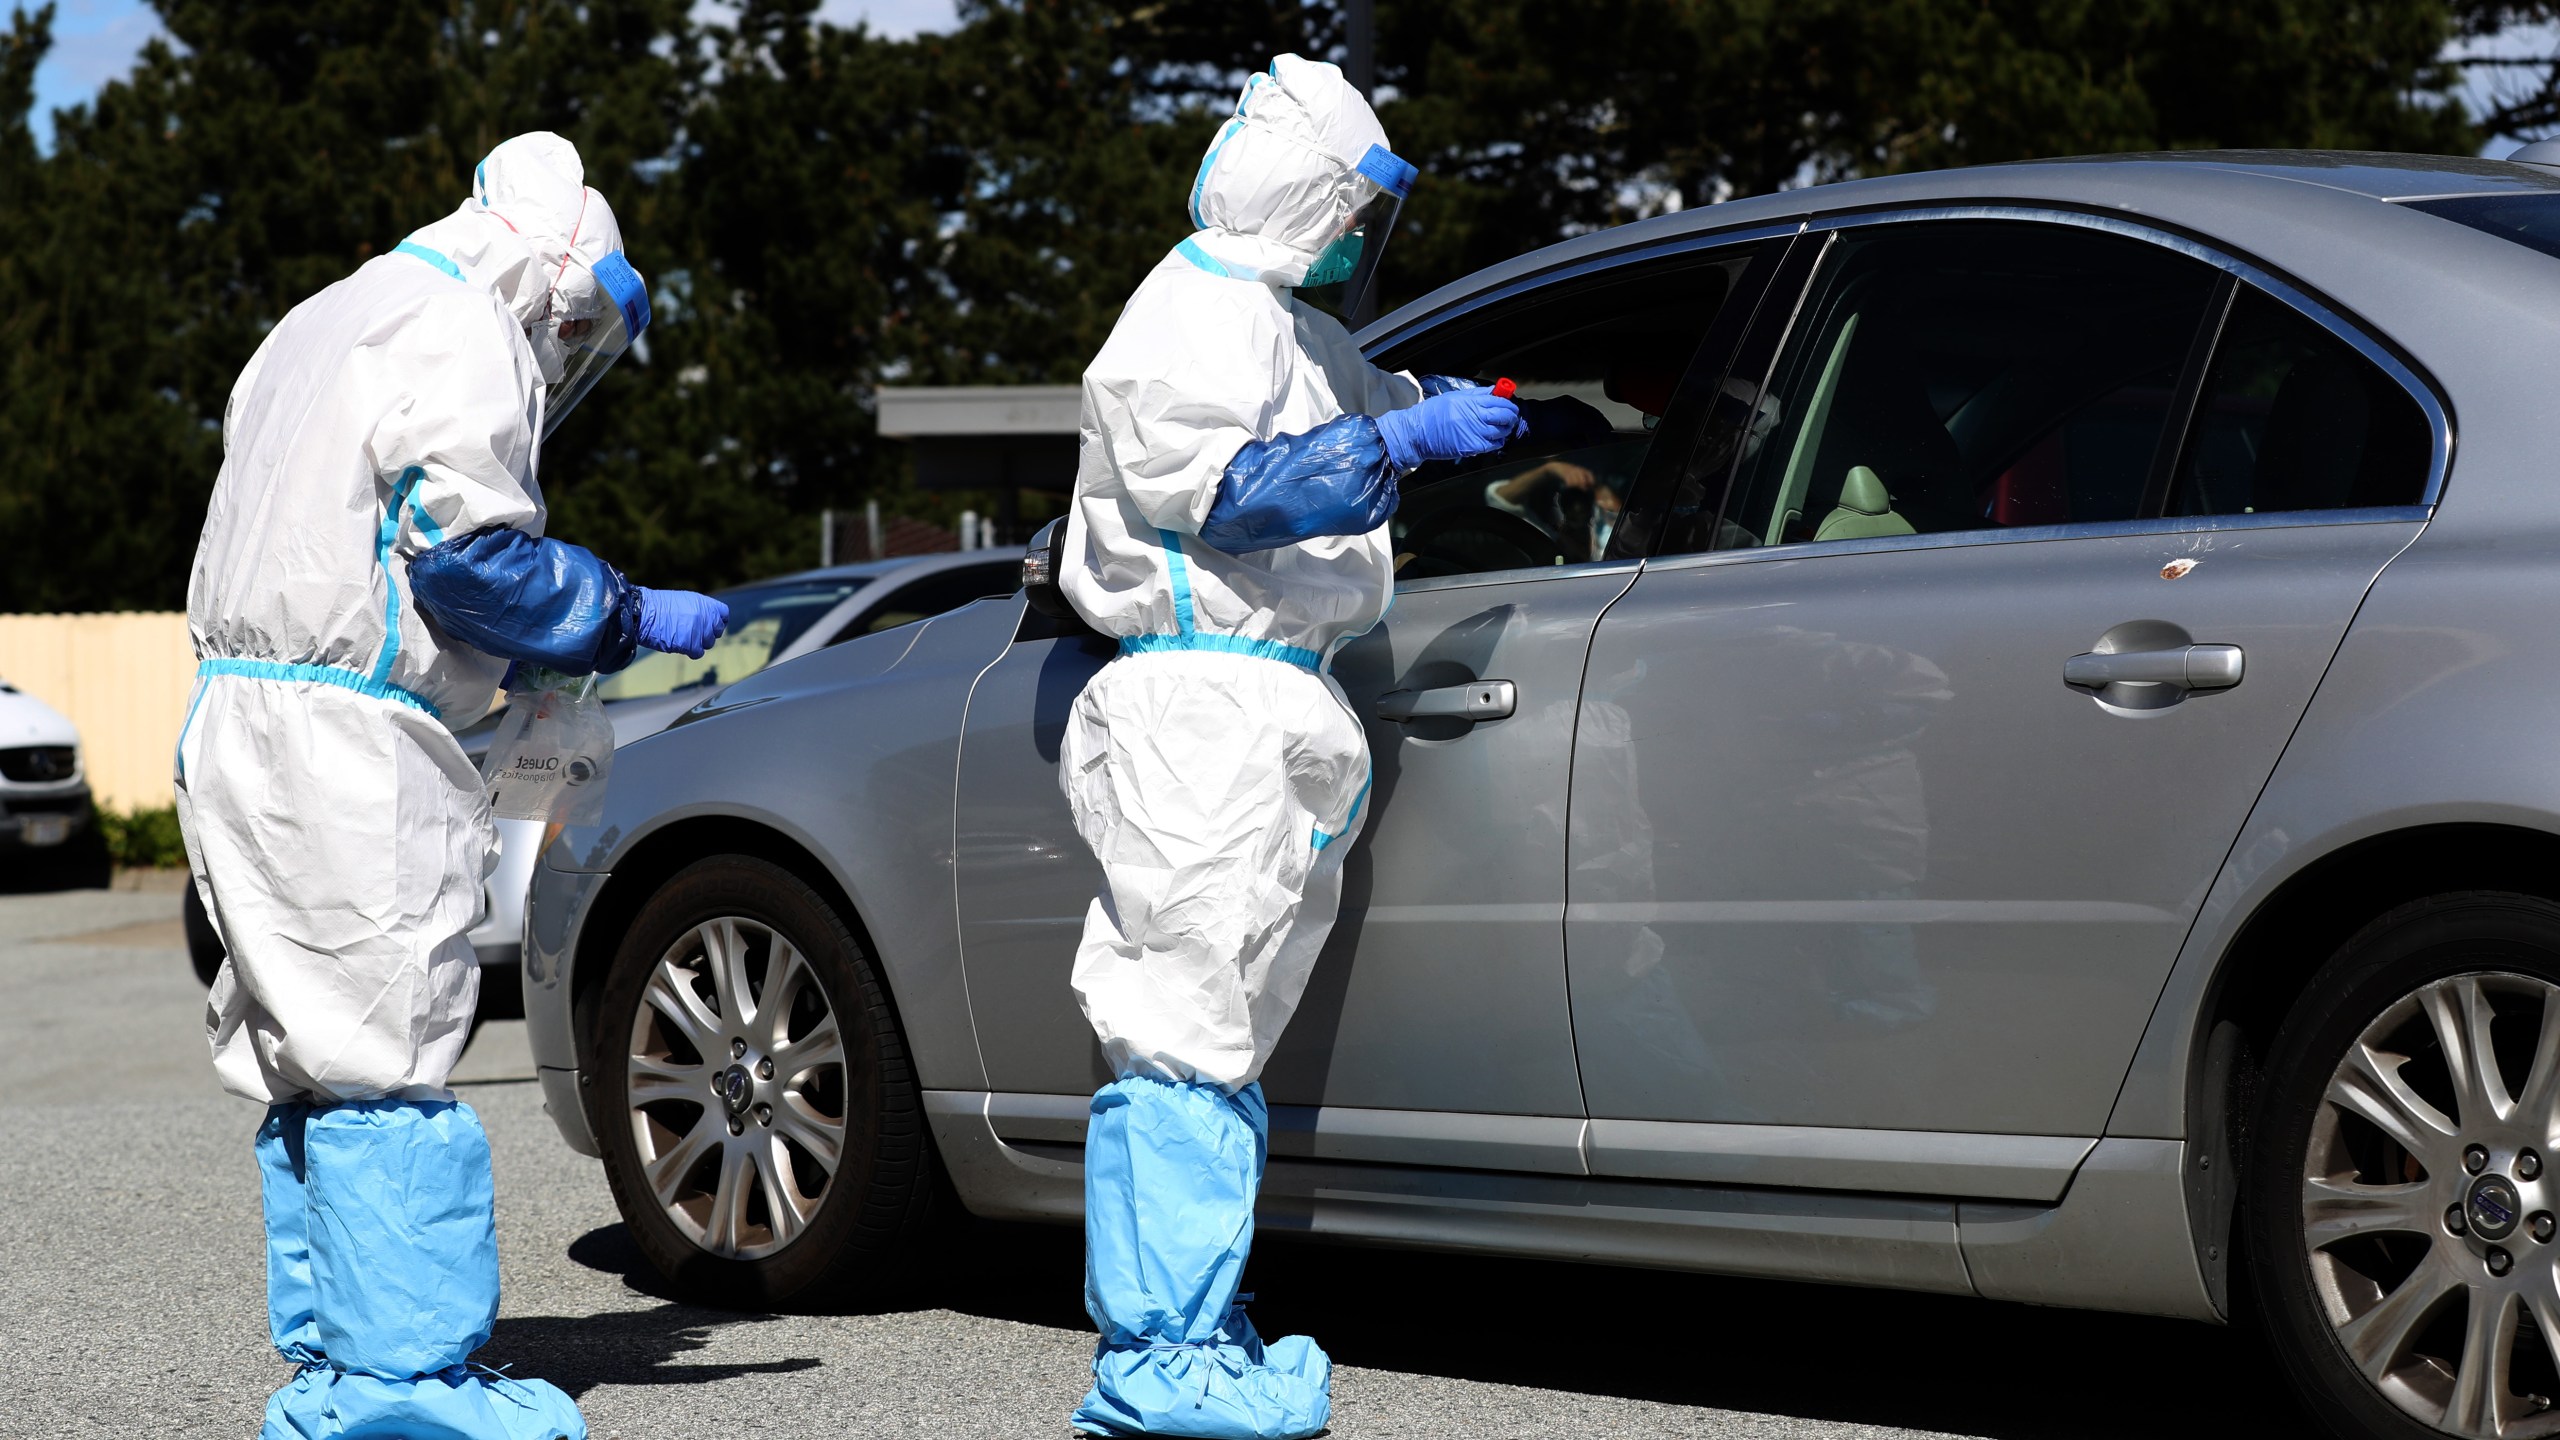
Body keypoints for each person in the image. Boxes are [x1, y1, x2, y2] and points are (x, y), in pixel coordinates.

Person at [175, 132, 729, 1440]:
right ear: (549, 269)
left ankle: (332, 1368)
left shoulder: (327, 316)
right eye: (572, 320)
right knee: (388, 1052)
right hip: (346, 746)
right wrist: (622, 611)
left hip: (235, 722)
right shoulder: (464, 324)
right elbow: (469, 566)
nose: (560, 347)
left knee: (309, 1062)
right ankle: (407, 1388)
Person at [1056, 55, 1567, 1440]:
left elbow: (1354, 403)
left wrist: (1454, 407)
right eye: (1352, 209)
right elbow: (1232, 492)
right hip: (1193, 715)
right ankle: (1156, 1361)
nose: (1360, 238)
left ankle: (1205, 1326)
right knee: (1182, 1031)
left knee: (1226, 1031)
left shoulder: (1283, 326)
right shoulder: (1184, 317)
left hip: (1269, 708)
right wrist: (1404, 440)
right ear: (1304, 192)